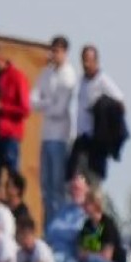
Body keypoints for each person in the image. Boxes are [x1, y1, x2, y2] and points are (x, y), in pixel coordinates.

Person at [33, 35, 77, 227]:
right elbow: (32, 100)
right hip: (46, 135)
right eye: (53, 50)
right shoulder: (46, 73)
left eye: (58, 51)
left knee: (58, 187)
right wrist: (48, 103)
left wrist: (45, 104)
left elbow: (60, 110)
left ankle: (58, 226)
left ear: (65, 52)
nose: (54, 54)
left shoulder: (69, 75)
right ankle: (48, 226)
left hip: (60, 137)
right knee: (45, 185)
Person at [71, 45, 127, 182]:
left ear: (96, 61)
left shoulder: (103, 80)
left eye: (89, 61)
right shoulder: (81, 81)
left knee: (93, 184)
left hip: (96, 142)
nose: (86, 64)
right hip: (81, 140)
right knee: (76, 181)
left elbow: (120, 102)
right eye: (84, 60)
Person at [0, 44, 31, 187]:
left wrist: (3, 108)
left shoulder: (17, 77)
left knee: (12, 175)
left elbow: (25, 109)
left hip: (9, 134)